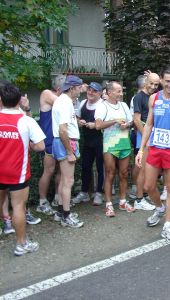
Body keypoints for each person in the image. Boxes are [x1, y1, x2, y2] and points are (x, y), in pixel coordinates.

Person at [135, 66, 170, 243]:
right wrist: (141, 149)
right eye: (167, 81)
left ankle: (167, 225)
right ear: (161, 80)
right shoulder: (154, 98)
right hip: (155, 148)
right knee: (148, 186)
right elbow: (149, 125)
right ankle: (159, 208)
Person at [0, 83, 46, 255]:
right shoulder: (26, 120)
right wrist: (29, 144)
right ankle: (21, 244)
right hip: (17, 172)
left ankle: (6, 227)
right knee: (18, 206)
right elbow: (41, 146)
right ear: (19, 100)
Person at [95, 81, 134, 217]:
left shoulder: (123, 105)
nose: (121, 94)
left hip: (124, 143)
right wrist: (115, 121)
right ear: (110, 92)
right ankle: (109, 204)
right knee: (110, 173)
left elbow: (131, 121)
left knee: (124, 173)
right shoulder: (102, 106)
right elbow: (98, 125)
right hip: (110, 145)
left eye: (121, 91)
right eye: (118, 91)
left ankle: (123, 201)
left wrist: (127, 125)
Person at [52, 75, 84, 228]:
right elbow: (63, 130)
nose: (80, 90)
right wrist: (70, 151)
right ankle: (66, 215)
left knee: (64, 179)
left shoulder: (62, 100)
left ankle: (60, 212)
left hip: (62, 141)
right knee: (68, 181)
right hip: (66, 141)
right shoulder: (65, 103)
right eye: (79, 87)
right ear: (72, 88)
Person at [37, 75, 65, 214]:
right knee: (49, 170)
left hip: (60, 138)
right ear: (59, 88)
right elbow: (62, 104)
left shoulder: (62, 98)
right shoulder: (47, 94)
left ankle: (57, 197)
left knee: (61, 170)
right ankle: (42, 202)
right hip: (48, 139)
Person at [131, 73, 160, 210]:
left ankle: (144, 193)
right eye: (151, 83)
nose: (153, 87)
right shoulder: (139, 97)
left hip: (153, 134)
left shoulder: (155, 96)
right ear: (145, 82)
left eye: (156, 84)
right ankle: (138, 199)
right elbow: (136, 119)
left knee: (150, 167)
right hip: (144, 135)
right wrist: (146, 137)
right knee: (141, 168)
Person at [73, 82, 104, 206]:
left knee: (101, 168)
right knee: (85, 167)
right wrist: (79, 122)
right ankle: (84, 192)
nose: (90, 93)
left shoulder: (103, 104)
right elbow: (75, 118)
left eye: (94, 91)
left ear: (100, 93)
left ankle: (99, 193)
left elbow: (106, 122)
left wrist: (96, 126)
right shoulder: (83, 103)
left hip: (100, 140)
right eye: (89, 90)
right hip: (87, 140)